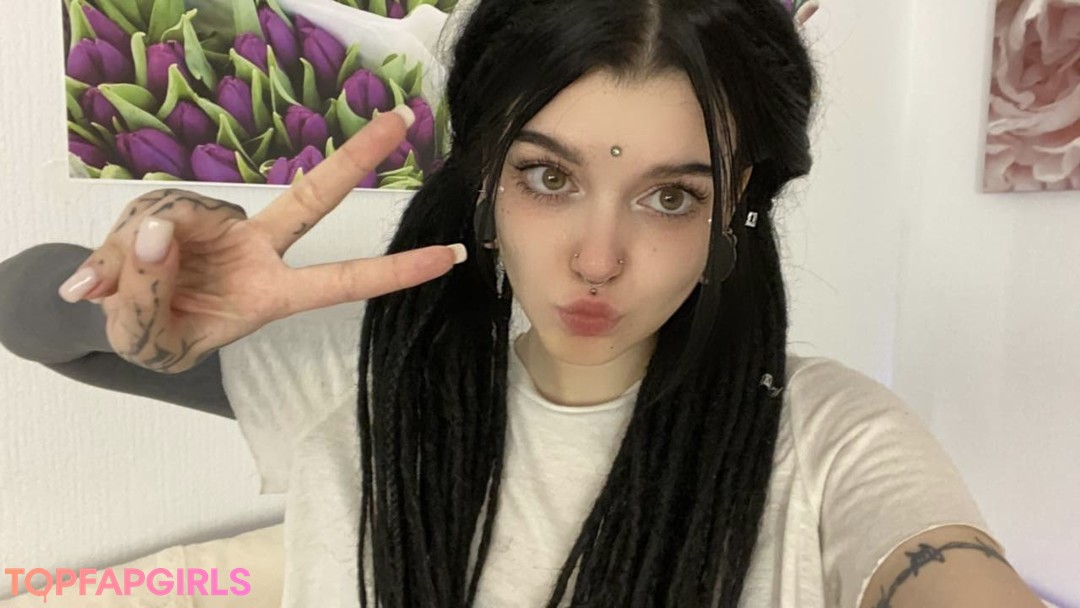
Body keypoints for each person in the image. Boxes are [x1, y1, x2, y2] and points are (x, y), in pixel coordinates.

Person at [0, 0, 1049, 606]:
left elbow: (943, 569)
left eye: (671, 196)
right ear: (489, 179)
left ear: (735, 205)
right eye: (550, 177)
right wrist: (134, 288)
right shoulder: (379, 375)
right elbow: (22, 311)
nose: (597, 258)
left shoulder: (829, 439)